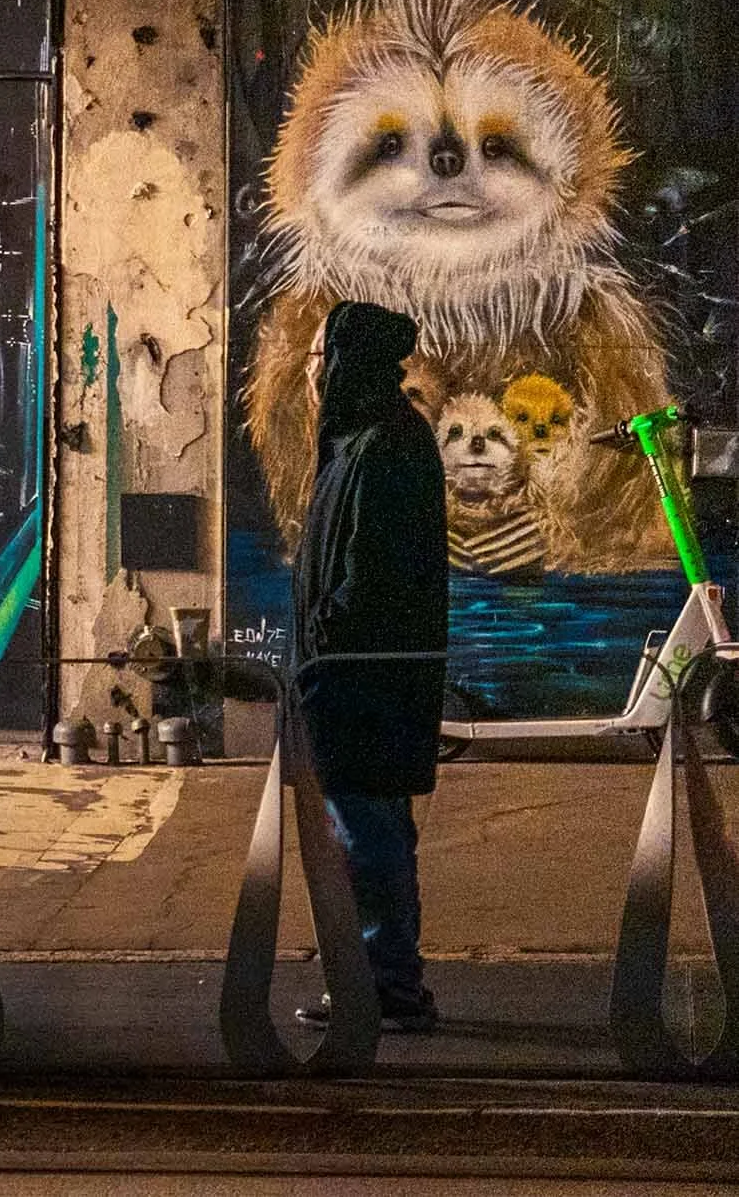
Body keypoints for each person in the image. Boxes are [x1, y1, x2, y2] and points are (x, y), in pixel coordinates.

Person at [291, 300, 450, 1034]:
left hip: (364, 680)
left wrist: (321, 644)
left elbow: (372, 578)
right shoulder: (363, 440)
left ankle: (386, 982)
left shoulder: (385, 446)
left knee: (367, 829)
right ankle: (383, 974)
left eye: (320, 354)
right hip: (348, 675)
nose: (309, 368)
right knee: (372, 822)